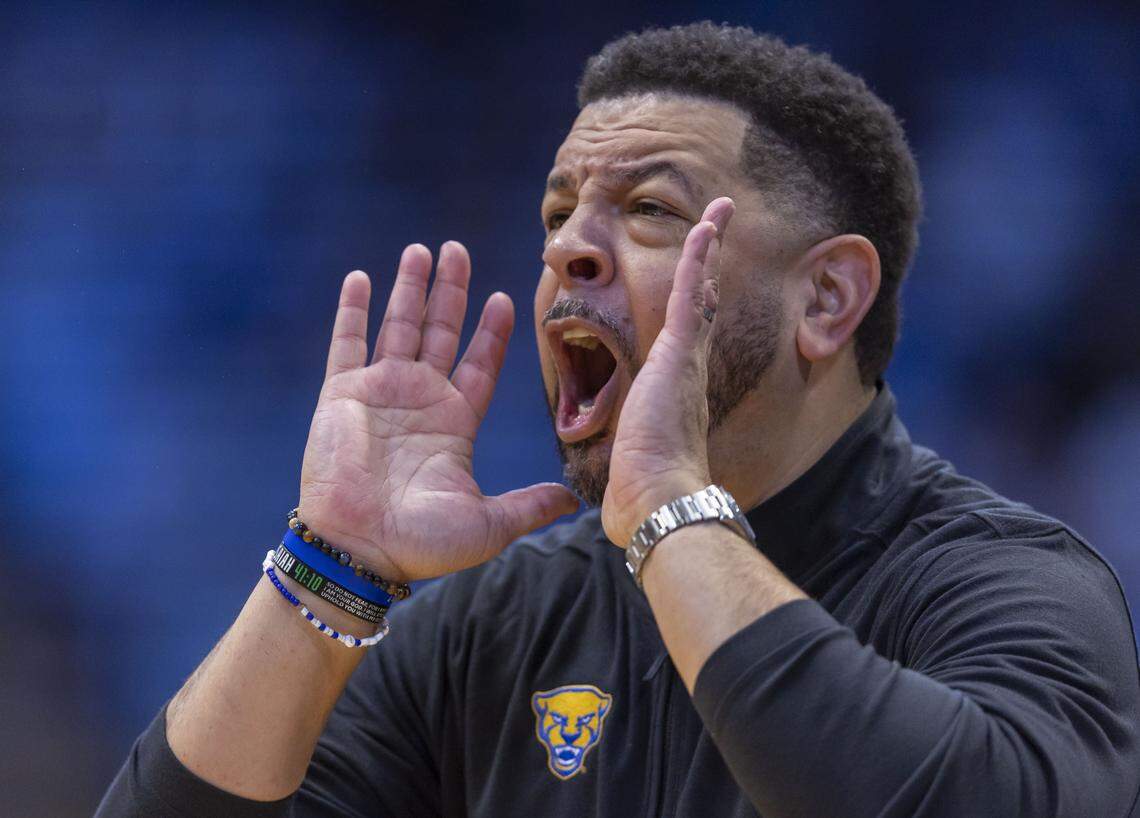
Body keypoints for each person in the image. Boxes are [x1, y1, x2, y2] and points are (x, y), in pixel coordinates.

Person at [97, 22, 1140, 818]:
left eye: (650, 210)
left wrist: (672, 506)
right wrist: (330, 563)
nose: (567, 249)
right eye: (558, 214)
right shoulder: (497, 623)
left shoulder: (1007, 585)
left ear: (825, 299)